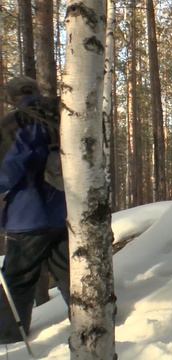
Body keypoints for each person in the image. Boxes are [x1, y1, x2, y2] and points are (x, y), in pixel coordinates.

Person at [0, 76, 69, 344]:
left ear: (12, 96)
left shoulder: (15, 124)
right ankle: (98, 323)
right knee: (71, 276)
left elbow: (11, 168)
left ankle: (8, 339)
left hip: (27, 217)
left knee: (17, 281)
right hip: (64, 213)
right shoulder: (62, 116)